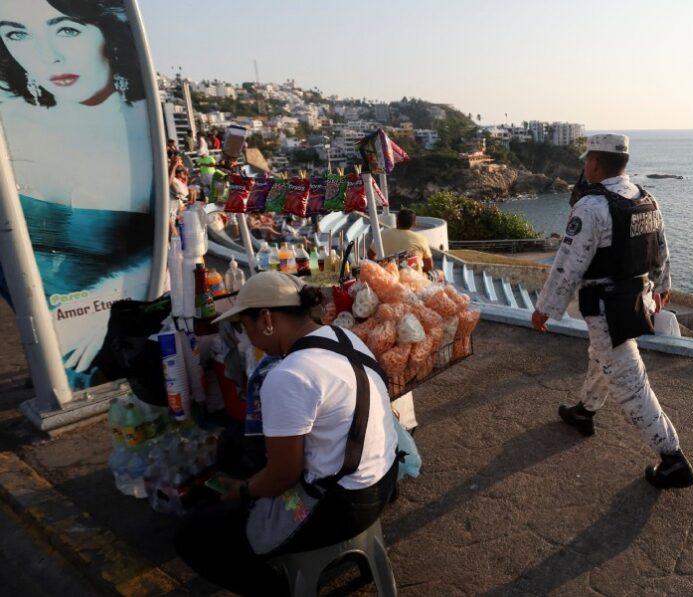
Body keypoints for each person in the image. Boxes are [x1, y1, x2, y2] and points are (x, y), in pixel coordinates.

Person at [175, 272, 399, 595]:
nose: (250, 339)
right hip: (384, 480)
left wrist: (242, 491)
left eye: (246, 327)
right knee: (239, 449)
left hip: (343, 506)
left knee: (192, 536)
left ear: (267, 319)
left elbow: (283, 475)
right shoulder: (344, 336)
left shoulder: (289, 375)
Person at [0, 0, 155, 384]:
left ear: (108, 32)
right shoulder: (11, 128)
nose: (47, 56)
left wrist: (108, 308)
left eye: (67, 29)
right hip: (49, 339)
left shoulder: (144, 135)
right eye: (17, 34)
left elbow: (166, 243)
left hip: (112, 337)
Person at [531, 133, 693, 489]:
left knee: (630, 383)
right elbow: (661, 248)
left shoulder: (591, 207)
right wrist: (662, 286)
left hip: (607, 307)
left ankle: (673, 459)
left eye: (585, 160)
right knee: (601, 356)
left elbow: (567, 264)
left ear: (593, 162)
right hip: (639, 297)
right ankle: (585, 410)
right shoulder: (646, 199)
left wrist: (545, 309)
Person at [378, 208, 434, 273]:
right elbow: (429, 266)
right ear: (414, 224)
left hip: (389, 275)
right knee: (439, 273)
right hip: (413, 277)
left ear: (396, 221)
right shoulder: (421, 239)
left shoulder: (383, 234)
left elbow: (370, 255)